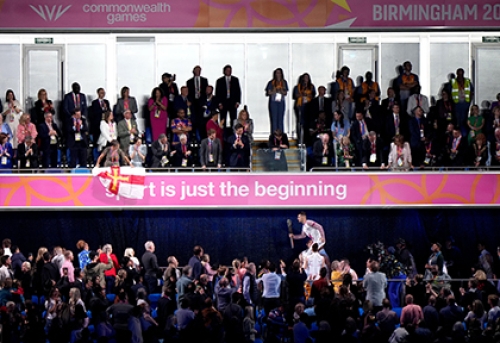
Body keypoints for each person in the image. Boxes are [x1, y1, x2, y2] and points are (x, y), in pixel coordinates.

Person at [449, 68, 474, 137]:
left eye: (461, 73)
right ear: (457, 74)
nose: (460, 75)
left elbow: (472, 91)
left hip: (465, 103)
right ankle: (457, 134)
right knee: (457, 120)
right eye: (459, 73)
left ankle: (463, 135)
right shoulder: (453, 81)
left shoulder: (467, 81)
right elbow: (449, 92)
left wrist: (469, 101)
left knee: (464, 120)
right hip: (456, 104)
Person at [216, 64, 241, 129]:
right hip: (223, 102)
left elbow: (238, 91)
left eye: (230, 70)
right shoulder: (220, 81)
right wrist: (219, 103)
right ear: (224, 71)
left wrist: (238, 102)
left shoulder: (235, 80)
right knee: (223, 119)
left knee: (233, 119)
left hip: (233, 102)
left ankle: (233, 133)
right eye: (227, 70)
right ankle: (223, 134)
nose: (229, 71)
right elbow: (217, 93)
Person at [187, 65, 209, 140]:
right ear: (193, 71)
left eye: (199, 70)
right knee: (193, 119)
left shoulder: (204, 80)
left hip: (201, 103)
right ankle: (193, 136)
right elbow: (188, 93)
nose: (198, 72)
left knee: (201, 121)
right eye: (196, 70)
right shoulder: (189, 81)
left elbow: (206, 92)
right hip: (193, 103)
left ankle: (202, 137)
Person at [293, 73, 315, 140]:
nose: (305, 79)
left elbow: (313, 95)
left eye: (307, 78)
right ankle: (300, 139)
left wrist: (307, 95)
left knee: (307, 123)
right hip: (300, 106)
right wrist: (301, 94)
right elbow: (295, 95)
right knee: (300, 122)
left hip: (308, 106)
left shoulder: (311, 86)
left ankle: (306, 139)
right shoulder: (298, 87)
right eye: (304, 78)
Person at [266, 68, 289, 133]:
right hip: (273, 102)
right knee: (274, 120)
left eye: (279, 73)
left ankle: (281, 136)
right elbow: (269, 92)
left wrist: (281, 90)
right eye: (277, 73)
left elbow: (285, 92)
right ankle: (274, 136)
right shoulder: (271, 82)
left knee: (280, 120)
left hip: (281, 102)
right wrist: (275, 90)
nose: (278, 74)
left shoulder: (284, 82)